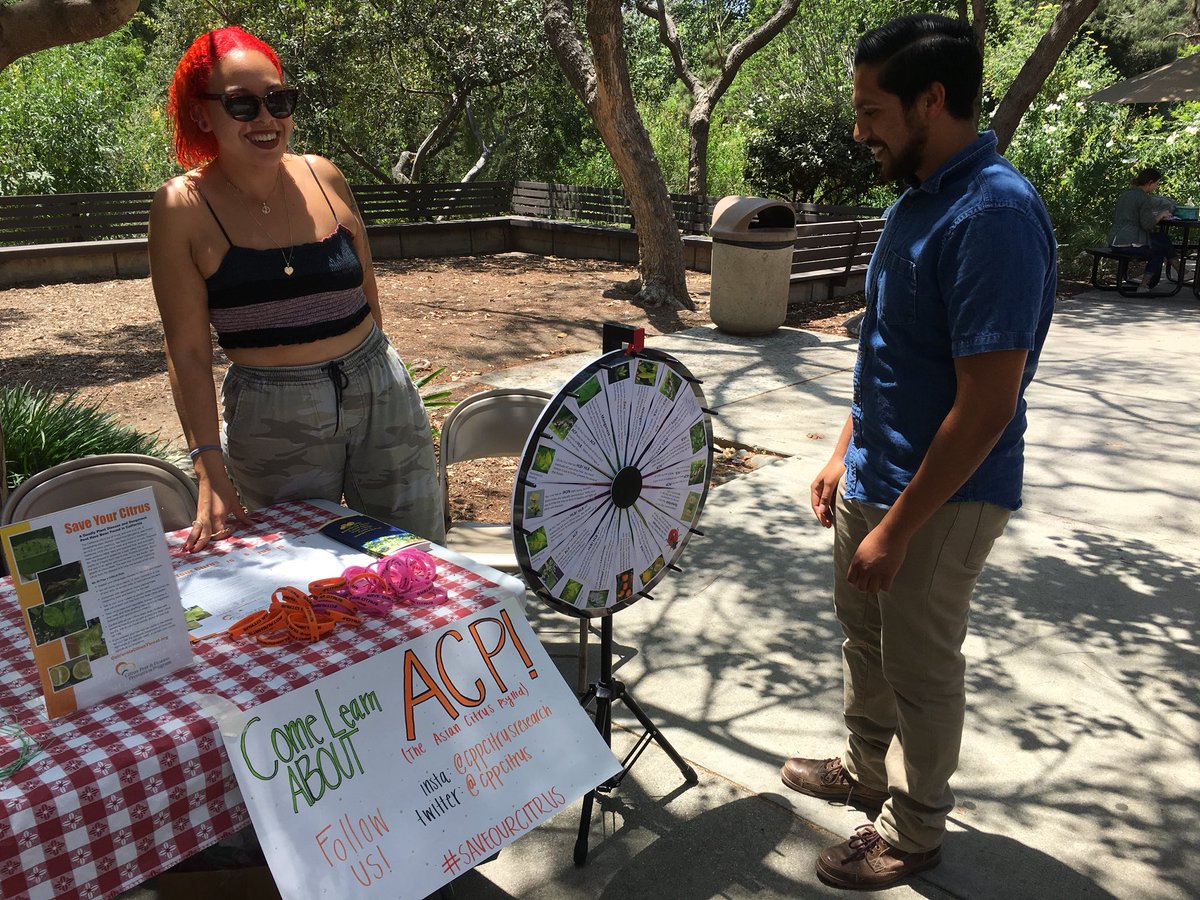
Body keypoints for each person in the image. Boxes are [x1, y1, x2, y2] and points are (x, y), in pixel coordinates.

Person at [779, 14, 1057, 891]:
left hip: (942, 497)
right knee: (868, 642)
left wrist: (897, 528)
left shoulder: (995, 215)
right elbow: (888, 351)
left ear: (931, 100)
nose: (858, 129)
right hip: (876, 475)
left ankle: (916, 827)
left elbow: (985, 406)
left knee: (923, 670)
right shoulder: (918, 196)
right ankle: (866, 771)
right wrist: (841, 452)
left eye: (872, 110)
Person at [149, 26, 443, 552]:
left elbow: (367, 291)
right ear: (201, 113)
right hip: (274, 414)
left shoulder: (324, 176)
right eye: (241, 105)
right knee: (301, 571)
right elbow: (188, 352)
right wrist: (208, 469)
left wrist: (382, 375)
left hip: (379, 387)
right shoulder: (182, 208)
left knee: (420, 555)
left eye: (278, 99)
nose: (266, 119)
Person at [1108, 167, 1179, 291]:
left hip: (1115, 239)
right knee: (1159, 251)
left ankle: (1181, 271)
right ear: (1150, 182)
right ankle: (1144, 285)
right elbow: (1148, 225)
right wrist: (1161, 215)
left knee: (1162, 238)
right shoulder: (1143, 197)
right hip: (1128, 243)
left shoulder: (1126, 194)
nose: (1156, 187)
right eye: (1156, 183)